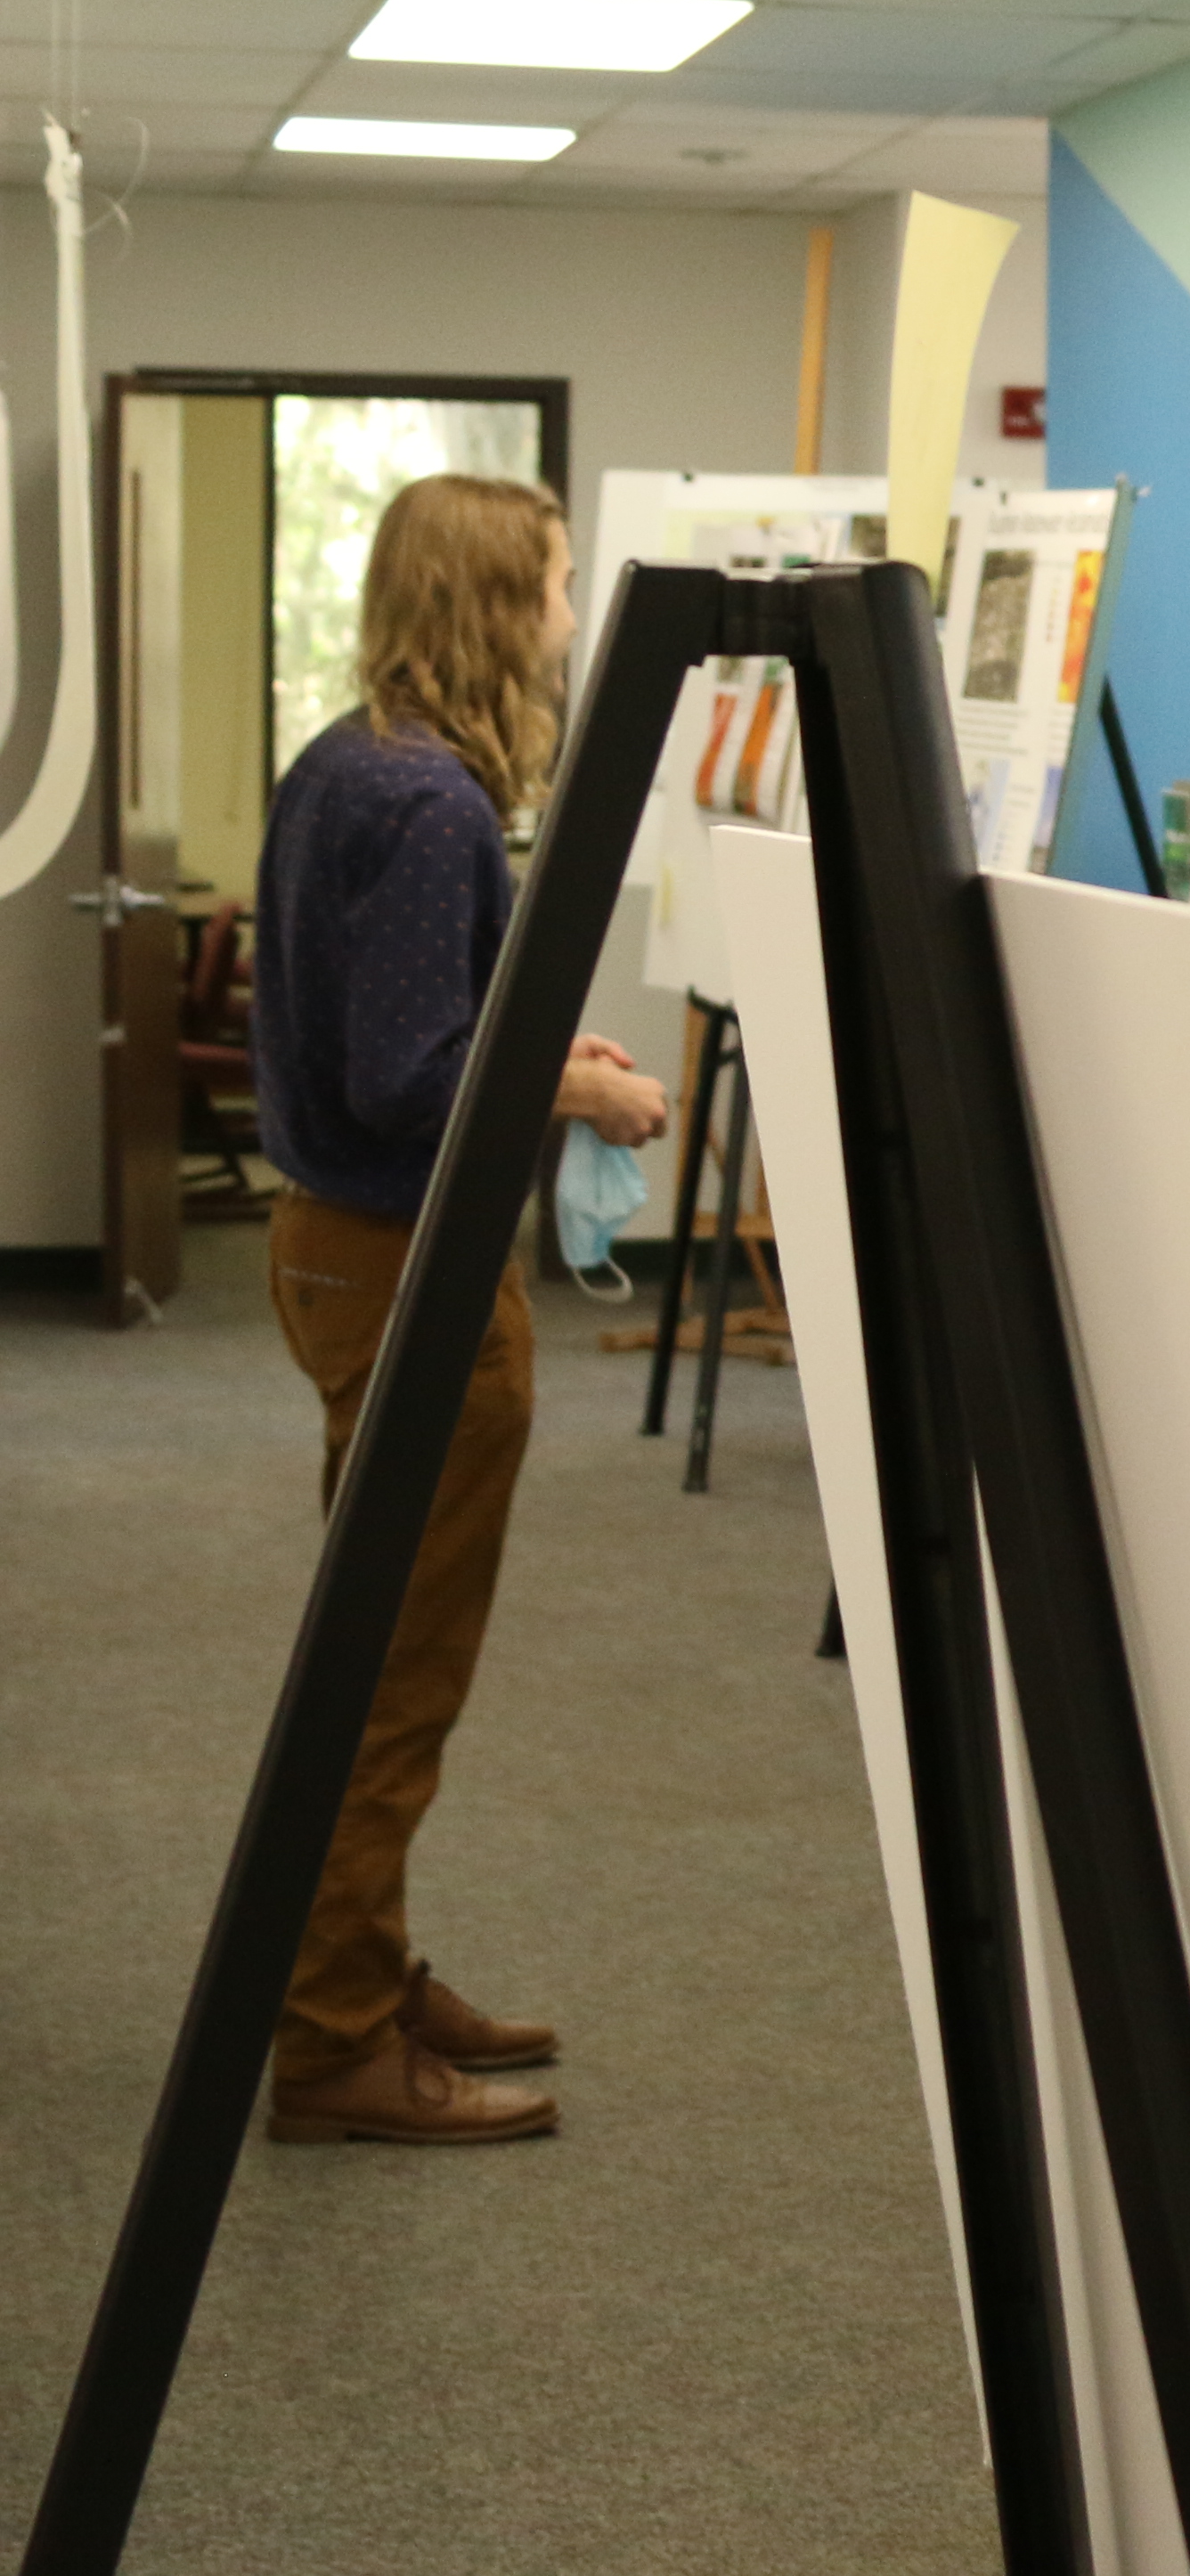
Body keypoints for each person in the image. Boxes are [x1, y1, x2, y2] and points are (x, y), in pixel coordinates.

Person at [247, 472, 670, 2147]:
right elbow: (412, 1071)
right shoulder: (428, 805)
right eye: (559, 584)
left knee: (376, 1646)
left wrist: (547, 1065)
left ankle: (360, 1963)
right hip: (405, 1269)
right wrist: (577, 1088)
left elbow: (390, 1040)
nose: (573, 618)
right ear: (500, 601)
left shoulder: (348, 758)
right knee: (395, 1672)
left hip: (334, 1247)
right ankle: (338, 2039)